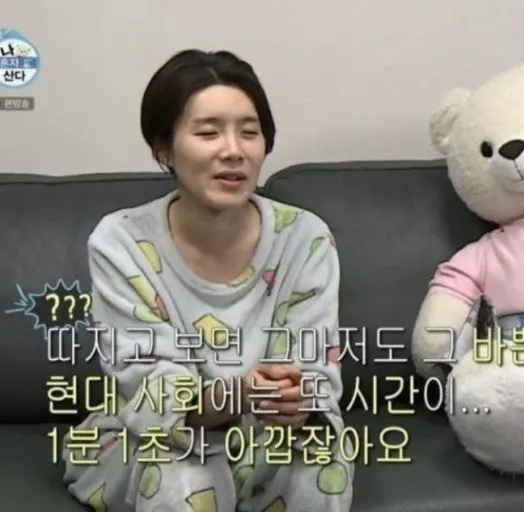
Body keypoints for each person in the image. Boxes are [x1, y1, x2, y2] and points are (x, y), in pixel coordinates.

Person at [62, 49, 354, 512]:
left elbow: (313, 370)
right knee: (183, 477)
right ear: (164, 150)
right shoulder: (121, 243)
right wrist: (240, 392)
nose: (234, 150)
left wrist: (297, 399)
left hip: (266, 436)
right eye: (208, 132)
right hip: (154, 437)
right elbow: (153, 391)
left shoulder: (305, 238)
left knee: (318, 466)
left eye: (249, 132)